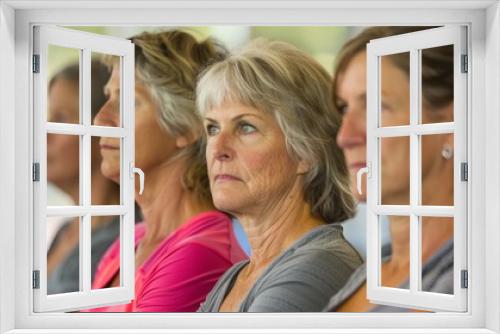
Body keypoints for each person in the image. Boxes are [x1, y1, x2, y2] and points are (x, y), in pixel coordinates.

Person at [197, 38, 363, 313]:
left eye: (245, 127)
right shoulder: (237, 275)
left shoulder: (316, 269)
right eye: (213, 128)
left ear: (305, 153)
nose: (218, 149)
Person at [87, 30, 248, 312]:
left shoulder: (199, 253)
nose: (100, 119)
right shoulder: (131, 241)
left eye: (127, 101)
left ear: (187, 126)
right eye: (108, 97)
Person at [325, 27, 454, 312]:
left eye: (375, 107)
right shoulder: (370, 271)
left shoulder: (468, 286)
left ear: (450, 126)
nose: (345, 136)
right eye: (344, 108)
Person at [47, 61, 126, 294]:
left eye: (60, 119)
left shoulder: (121, 238)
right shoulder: (67, 229)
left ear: (101, 129)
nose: (44, 133)